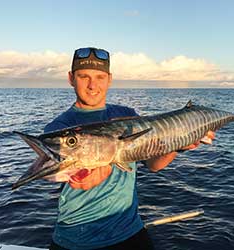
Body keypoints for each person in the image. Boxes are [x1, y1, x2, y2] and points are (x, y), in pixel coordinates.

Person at [44, 47, 215, 250]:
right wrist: (84, 176)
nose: (92, 85)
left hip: (129, 230)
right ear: (71, 78)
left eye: (100, 77)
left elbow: (153, 164)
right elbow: (59, 172)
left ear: (109, 79)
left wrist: (178, 146)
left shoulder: (128, 115)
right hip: (77, 238)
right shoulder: (59, 129)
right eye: (83, 77)